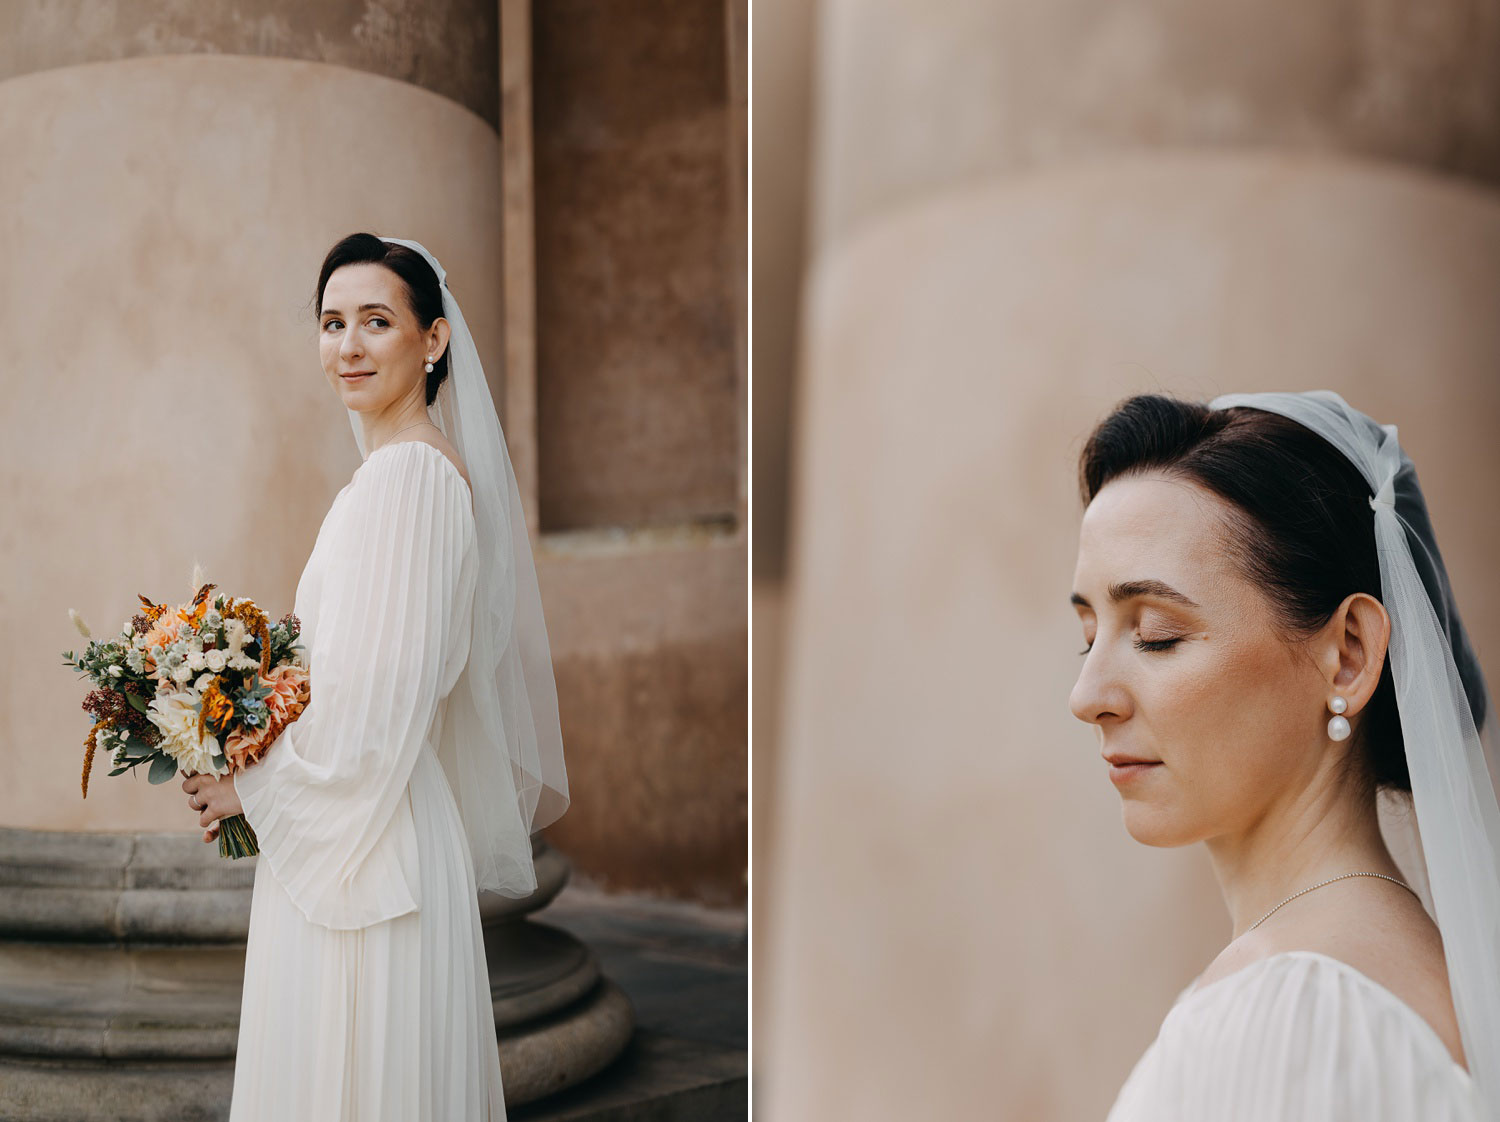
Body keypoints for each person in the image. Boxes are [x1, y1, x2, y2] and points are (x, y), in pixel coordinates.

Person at [181, 233, 568, 1120]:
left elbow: (377, 702)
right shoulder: (396, 479)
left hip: (368, 843)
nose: (347, 346)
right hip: (368, 827)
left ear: (432, 341)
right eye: (331, 322)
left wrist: (250, 783)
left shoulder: (409, 483)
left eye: (376, 322)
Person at [1069, 391, 1498, 1121]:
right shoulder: (1419, 981)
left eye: (1157, 634)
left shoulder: (1291, 1016)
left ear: (1349, 655)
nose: (1088, 695)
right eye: (1088, 634)